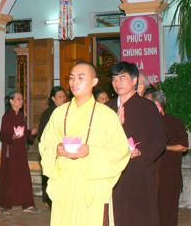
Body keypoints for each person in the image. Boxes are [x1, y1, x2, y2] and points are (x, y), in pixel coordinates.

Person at [40, 62, 130, 225]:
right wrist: (56, 149)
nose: (74, 82)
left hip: (91, 186)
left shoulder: (107, 115)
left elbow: (120, 151)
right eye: (71, 78)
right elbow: (46, 143)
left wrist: (90, 151)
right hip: (65, 184)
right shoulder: (59, 113)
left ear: (94, 82)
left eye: (81, 78)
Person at [107, 62, 166, 226]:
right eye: (114, 79)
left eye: (122, 78)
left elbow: (159, 140)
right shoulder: (106, 108)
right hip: (112, 171)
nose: (117, 82)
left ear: (134, 81)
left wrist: (142, 153)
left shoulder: (147, 107)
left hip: (137, 170)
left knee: (138, 216)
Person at [147, 90, 188, 226]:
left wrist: (163, 148)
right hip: (150, 177)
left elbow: (183, 146)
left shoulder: (174, 122)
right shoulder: (147, 124)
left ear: (157, 105)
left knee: (168, 214)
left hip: (169, 177)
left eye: (148, 103)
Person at [0, 92, 39, 215]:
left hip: (21, 151)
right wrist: (12, 136)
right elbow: (2, 135)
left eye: (21, 99)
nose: (21, 101)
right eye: (18, 99)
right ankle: (6, 205)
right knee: (9, 177)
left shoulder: (21, 116)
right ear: (11, 101)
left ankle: (27, 204)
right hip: (10, 152)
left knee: (24, 177)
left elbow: (24, 132)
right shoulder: (6, 117)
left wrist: (31, 133)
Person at [37, 86, 67, 208]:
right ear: (53, 99)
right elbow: (43, 135)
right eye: (59, 97)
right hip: (52, 150)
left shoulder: (67, 110)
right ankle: (49, 200)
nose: (63, 99)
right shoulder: (49, 113)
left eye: (64, 96)